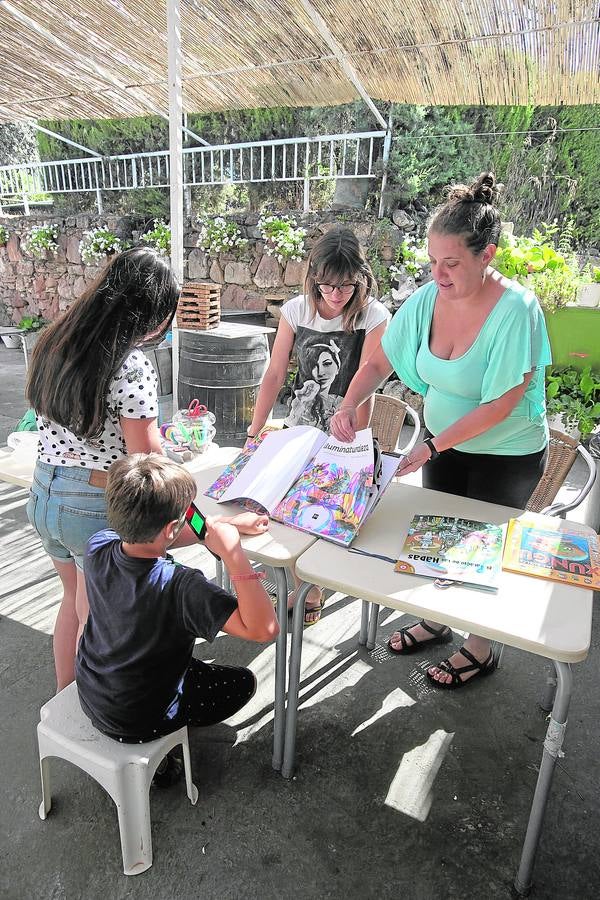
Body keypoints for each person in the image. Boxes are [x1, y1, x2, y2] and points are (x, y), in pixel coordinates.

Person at [331, 173, 551, 689]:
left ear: (487, 255)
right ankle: (435, 619)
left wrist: (431, 447)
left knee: (480, 550)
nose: (438, 274)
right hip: (442, 443)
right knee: (434, 540)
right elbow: (378, 360)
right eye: (432, 261)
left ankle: (480, 646)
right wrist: (348, 403)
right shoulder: (428, 299)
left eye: (450, 263)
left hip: (505, 452)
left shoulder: (516, 310)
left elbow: (501, 404)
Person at [26, 247, 268, 691]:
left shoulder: (56, 338)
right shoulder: (130, 363)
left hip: (44, 493)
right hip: (92, 505)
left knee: (73, 601)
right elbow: (150, 472)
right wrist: (217, 525)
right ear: (153, 313)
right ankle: (91, 710)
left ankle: (64, 699)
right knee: (94, 619)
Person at [75, 454, 278, 777]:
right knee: (243, 682)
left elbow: (153, 537)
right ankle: (160, 753)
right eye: (186, 516)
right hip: (141, 717)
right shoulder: (182, 587)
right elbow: (264, 629)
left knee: (181, 661)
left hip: (93, 693)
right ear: (171, 527)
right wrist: (234, 555)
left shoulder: (97, 546)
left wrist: (219, 526)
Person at [247, 226, 390, 624]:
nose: (335, 294)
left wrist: (357, 446)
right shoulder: (296, 310)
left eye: (345, 285)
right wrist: (255, 431)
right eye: (327, 284)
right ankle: (300, 580)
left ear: (360, 277)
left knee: (325, 515)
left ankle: (311, 590)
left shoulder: (373, 315)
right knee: (286, 510)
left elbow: (367, 381)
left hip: (347, 433)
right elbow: (275, 373)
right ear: (313, 276)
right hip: (298, 429)